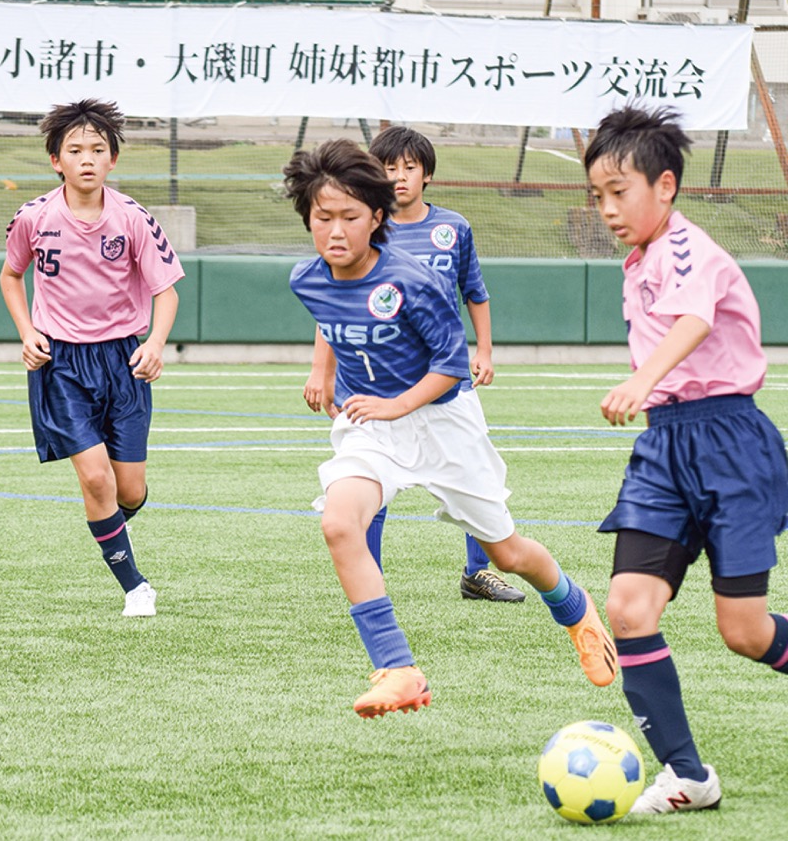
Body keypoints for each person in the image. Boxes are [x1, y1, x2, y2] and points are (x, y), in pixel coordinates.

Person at [285, 138, 616, 718]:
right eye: (322, 217)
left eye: (349, 217)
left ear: (378, 218)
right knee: (340, 524)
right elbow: (333, 323)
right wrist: (332, 378)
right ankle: (398, 669)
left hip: (442, 423)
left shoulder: (413, 280)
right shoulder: (306, 279)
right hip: (373, 426)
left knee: (509, 553)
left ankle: (576, 608)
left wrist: (395, 404)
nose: (334, 231)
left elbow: (451, 366)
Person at [585, 105, 788, 814]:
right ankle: (688, 776)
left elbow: (695, 320)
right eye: (599, 196)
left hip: (731, 441)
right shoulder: (638, 260)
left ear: (664, 185)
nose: (608, 209)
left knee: (745, 630)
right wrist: (651, 396)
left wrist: (642, 380)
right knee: (628, 606)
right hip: (665, 446)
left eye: (621, 191)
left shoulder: (686, 249)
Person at [304, 125, 524, 602]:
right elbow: (334, 305)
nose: (400, 176)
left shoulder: (453, 229)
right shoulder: (359, 232)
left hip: (443, 385)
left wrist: (482, 351)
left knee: (479, 483)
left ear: (427, 175)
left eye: (410, 167)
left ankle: (479, 572)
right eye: (389, 168)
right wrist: (321, 371)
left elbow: (475, 293)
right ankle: (370, 578)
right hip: (373, 383)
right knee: (365, 479)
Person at [0, 99, 184, 617]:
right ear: (55, 160)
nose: (86, 158)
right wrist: (27, 331)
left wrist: (154, 343)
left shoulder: (133, 219)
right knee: (96, 478)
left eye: (97, 149)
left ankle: (111, 523)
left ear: (113, 160)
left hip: (124, 361)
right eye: (74, 149)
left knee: (129, 488)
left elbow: (166, 291)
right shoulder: (33, 217)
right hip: (60, 365)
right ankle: (135, 586)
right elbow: (11, 276)